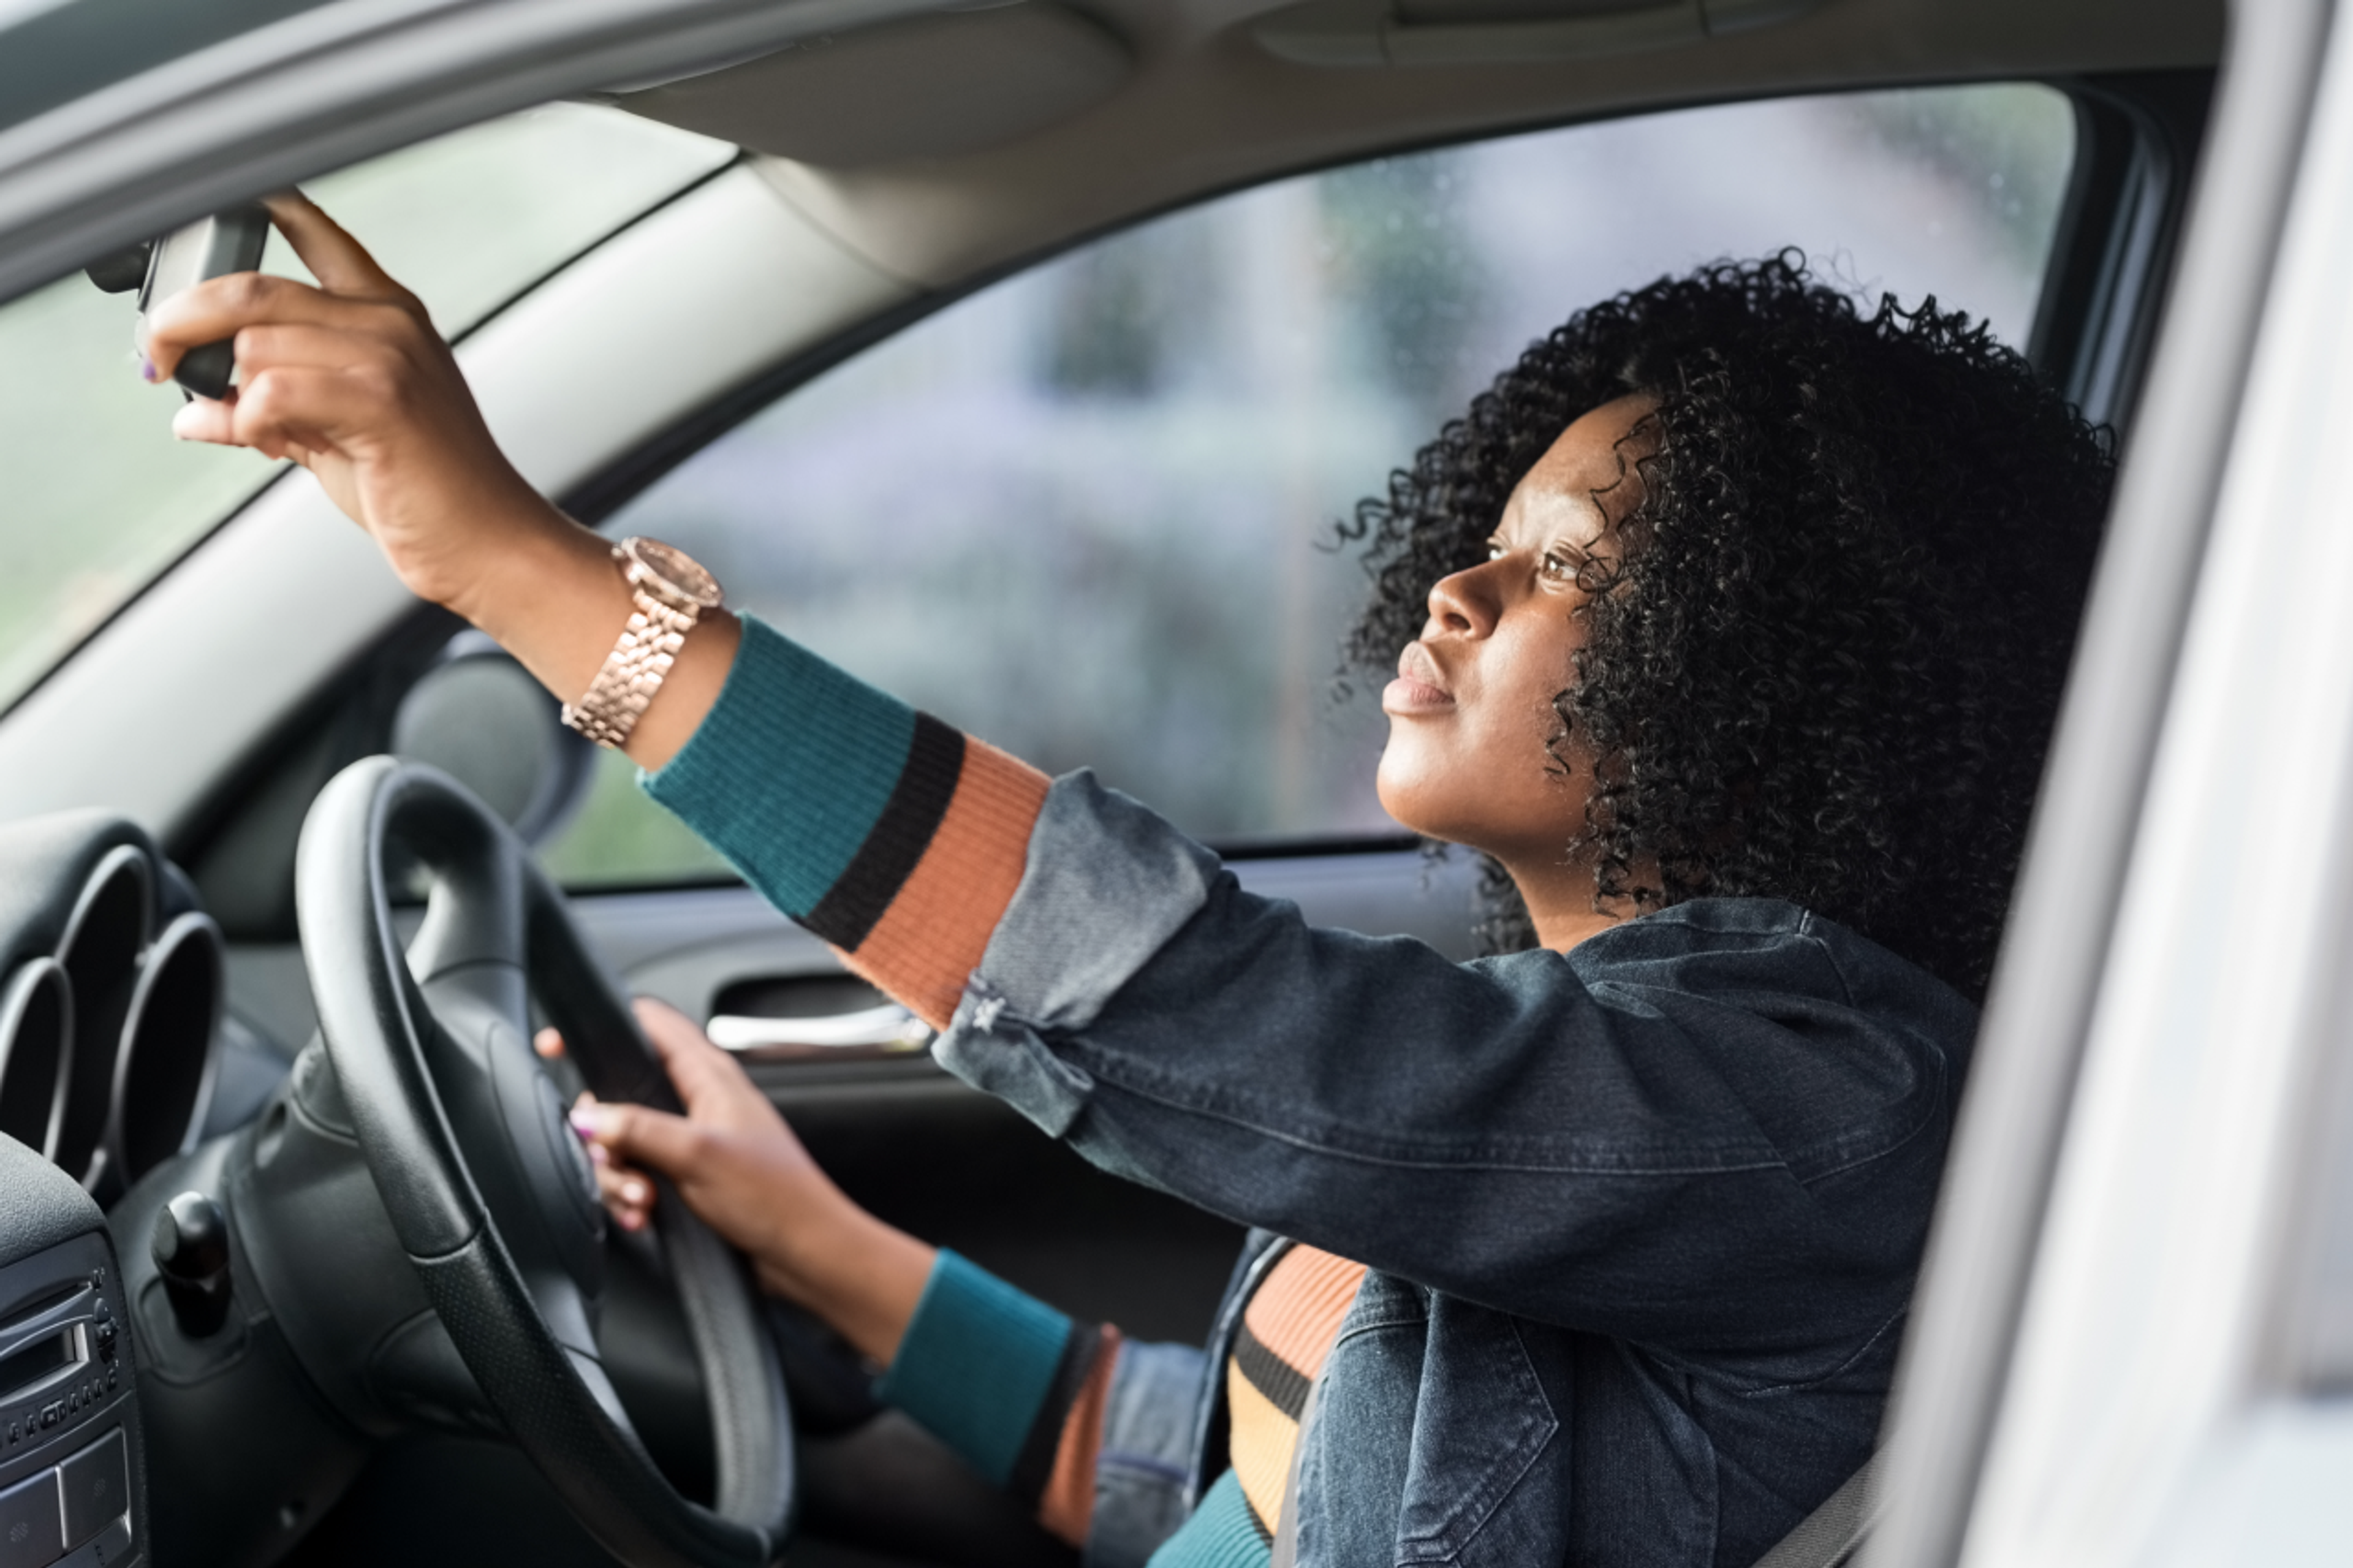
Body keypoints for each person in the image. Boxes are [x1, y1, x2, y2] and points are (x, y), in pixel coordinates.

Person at [145, 194, 2112, 1568]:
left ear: (1779, 671)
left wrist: (518, 565)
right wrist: (808, 1228)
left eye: (1579, 566)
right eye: (1489, 535)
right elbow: (1215, 1455)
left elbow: (1198, 1005)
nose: (1460, 584)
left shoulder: (1827, 1114)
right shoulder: (1598, 1083)